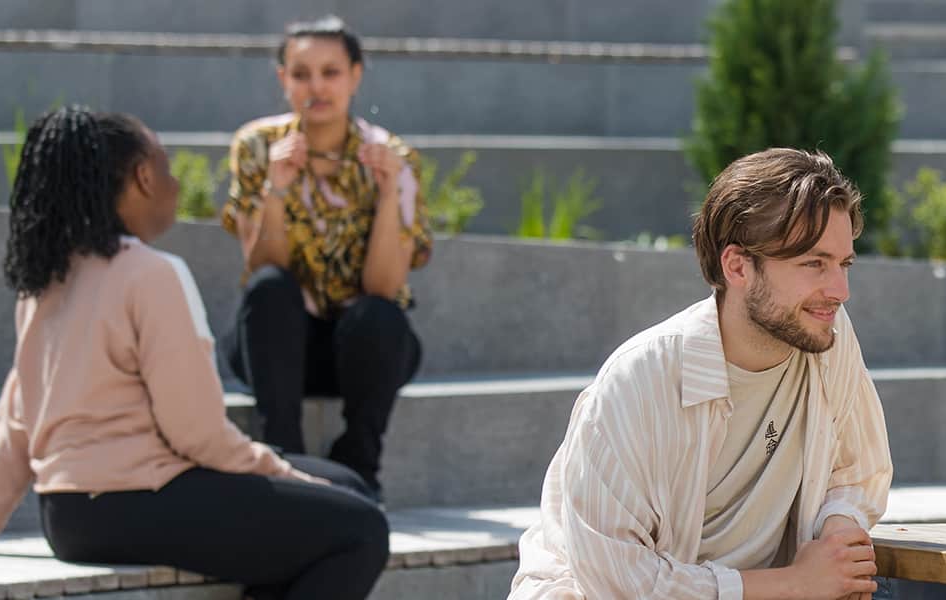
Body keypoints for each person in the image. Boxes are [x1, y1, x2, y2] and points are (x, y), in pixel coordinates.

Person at [0, 106, 388, 599]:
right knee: (361, 530)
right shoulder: (151, 274)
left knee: (344, 484)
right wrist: (278, 471)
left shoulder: (43, 283)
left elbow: (14, 422)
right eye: (166, 167)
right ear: (144, 177)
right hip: (141, 503)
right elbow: (195, 432)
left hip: (68, 517)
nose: (173, 184)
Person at [511, 149, 893, 599]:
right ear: (737, 266)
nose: (839, 291)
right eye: (813, 263)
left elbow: (858, 472)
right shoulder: (640, 381)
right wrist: (794, 583)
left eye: (843, 264)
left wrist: (836, 537)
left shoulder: (826, 334)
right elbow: (618, 582)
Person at [219, 15, 431, 496]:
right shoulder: (257, 146)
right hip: (276, 347)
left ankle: (359, 467)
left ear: (356, 75)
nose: (316, 86)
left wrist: (388, 194)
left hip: (363, 353)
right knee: (270, 290)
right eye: (301, 74)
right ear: (283, 80)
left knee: (380, 316)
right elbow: (262, 265)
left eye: (330, 72)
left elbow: (383, 287)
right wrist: (276, 189)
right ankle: (284, 463)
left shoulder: (394, 156)